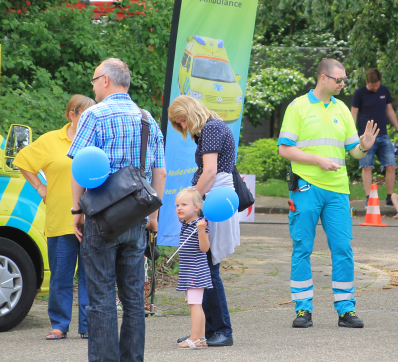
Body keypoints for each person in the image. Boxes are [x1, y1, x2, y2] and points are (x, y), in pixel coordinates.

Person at [68, 58, 166, 362]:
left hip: (101, 219)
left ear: (106, 80)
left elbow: (79, 166)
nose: (93, 86)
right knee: (134, 300)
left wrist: (76, 211)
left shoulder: (94, 115)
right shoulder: (147, 118)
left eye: (95, 79)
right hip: (136, 219)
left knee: (100, 299)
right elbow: (160, 172)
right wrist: (153, 218)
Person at [278, 58, 378, 329]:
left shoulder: (343, 109)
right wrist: (317, 161)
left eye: (344, 79)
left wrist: (364, 146)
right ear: (323, 78)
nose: (343, 83)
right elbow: (285, 149)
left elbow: (352, 151)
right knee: (302, 248)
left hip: (337, 191)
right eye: (339, 79)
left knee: (343, 248)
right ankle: (302, 310)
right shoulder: (297, 107)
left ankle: (345, 310)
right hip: (305, 187)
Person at [14, 94, 95, 340]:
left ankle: (88, 325)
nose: (92, 119)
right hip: (61, 217)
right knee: (61, 275)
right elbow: (23, 160)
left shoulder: (96, 139)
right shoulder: (51, 140)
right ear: (72, 114)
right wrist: (40, 187)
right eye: (86, 114)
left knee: (90, 275)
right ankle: (59, 325)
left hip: (93, 218)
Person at [167, 95, 239, 347]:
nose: (183, 127)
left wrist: (192, 203)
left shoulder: (210, 129)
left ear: (190, 112)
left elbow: (209, 171)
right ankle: (205, 332)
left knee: (209, 269)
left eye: (182, 120)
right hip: (214, 198)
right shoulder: (214, 127)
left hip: (212, 199)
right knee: (207, 267)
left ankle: (221, 330)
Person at [350, 68, 398, 206]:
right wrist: (352, 134)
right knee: (367, 166)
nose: (376, 88)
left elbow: (390, 110)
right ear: (367, 82)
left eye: (377, 85)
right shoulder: (359, 93)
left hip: (383, 135)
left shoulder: (384, 91)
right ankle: (369, 197)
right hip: (366, 137)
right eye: (373, 85)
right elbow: (353, 114)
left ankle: (390, 197)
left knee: (391, 165)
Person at [174, 188, 211, 349]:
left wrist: (202, 231)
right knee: (196, 304)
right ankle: (202, 338)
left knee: (195, 305)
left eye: (184, 204)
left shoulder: (199, 225)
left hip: (196, 271)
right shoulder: (187, 225)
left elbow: (205, 248)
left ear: (196, 207)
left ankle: (194, 338)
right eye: (177, 205)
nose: (179, 208)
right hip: (189, 271)